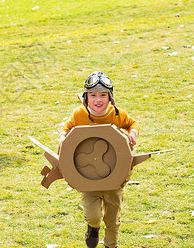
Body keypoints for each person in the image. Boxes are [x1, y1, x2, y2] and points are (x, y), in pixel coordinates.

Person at [58, 71, 140, 248]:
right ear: (86, 98)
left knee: (112, 218)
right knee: (93, 215)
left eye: (103, 95)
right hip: (88, 179)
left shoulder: (117, 114)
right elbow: (67, 127)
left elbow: (133, 124)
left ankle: (111, 245)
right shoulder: (80, 114)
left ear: (110, 98)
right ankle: (93, 228)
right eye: (93, 95)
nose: (98, 99)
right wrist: (63, 136)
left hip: (114, 178)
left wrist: (133, 132)